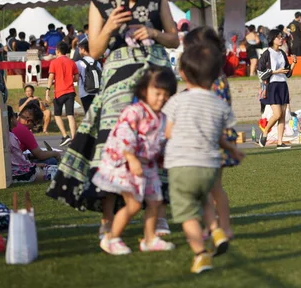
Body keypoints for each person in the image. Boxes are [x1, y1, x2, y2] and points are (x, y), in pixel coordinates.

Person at [47, 0, 179, 240]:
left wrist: (155, 33)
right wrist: (109, 27)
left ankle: (157, 216)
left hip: (155, 74)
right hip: (117, 78)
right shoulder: (99, 2)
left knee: (156, 144)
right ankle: (107, 220)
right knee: (114, 146)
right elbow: (93, 50)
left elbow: (175, 39)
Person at [162, 43, 244, 273]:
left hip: (182, 165)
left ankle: (200, 254)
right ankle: (216, 230)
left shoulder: (177, 101)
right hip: (209, 165)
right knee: (206, 199)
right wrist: (233, 150)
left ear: (183, 73)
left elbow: (168, 132)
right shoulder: (218, 104)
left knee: (187, 214)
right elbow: (219, 136)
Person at [93, 68, 177, 255]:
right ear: (144, 90)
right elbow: (124, 135)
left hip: (148, 165)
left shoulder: (162, 118)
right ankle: (111, 237)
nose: (161, 98)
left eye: (166, 95)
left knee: (155, 201)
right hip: (125, 164)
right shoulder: (134, 111)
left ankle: (149, 239)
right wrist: (131, 158)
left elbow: (161, 143)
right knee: (133, 204)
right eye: (157, 93)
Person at [183, 27, 239, 241]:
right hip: (215, 136)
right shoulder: (217, 74)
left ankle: (221, 227)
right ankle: (217, 227)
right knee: (213, 188)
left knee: (211, 188)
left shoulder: (213, 78)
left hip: (213, 138)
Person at [257, 29, 296, 149]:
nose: (281, 39)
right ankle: (265, 132)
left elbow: (287, 73)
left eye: (281, 37)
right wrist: (275, 71)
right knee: (277, 114)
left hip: (283, 85)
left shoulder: (282, 53)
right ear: (272, 39)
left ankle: (280, 142)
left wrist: (294, 63)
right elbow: (260, 73)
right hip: (272, 86)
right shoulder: (267, 53)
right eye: (278, 37)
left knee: (283, 115)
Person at [7, 106, 57, 184]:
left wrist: (30, 159)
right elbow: (39, 155)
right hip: (20, 173)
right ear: (29, 121)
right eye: (34, 125)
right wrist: (55, 153)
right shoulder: (20, 133)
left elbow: (16, 157)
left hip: (14, 169)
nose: (16, 118)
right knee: (52, 164)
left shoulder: (6, 134)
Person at [46, 41, 78, 146]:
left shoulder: (54, 62)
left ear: (58, 51)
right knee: (70, 115)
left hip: (59, 92)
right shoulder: (72, 62)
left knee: (57, 115)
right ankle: (74, 138)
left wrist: (47, 89)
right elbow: (76, 77)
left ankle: (65, 135)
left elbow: (51, 77)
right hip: (70, 91)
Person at [76, 41, 102, 113]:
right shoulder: (97, 63)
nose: (79, 51)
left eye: (79, 49)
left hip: (84, 92)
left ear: (83, 50)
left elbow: (75, 76)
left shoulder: (79, 63)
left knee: (88, 114)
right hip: (97, 91)